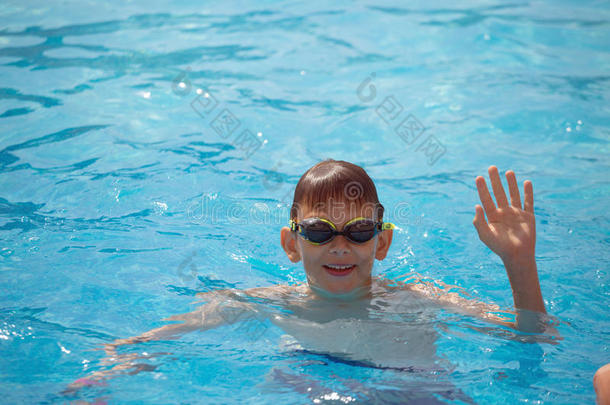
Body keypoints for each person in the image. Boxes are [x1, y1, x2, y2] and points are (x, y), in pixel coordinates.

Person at [65, 159, 556, 393]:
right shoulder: (265, 302)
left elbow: (535, 339)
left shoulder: (420, 300)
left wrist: (519, 262)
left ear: (381, 243)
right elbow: (161, 339)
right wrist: (113, 367)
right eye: (320, 231)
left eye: (359, 230)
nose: (340, 245)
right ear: (291, 243)